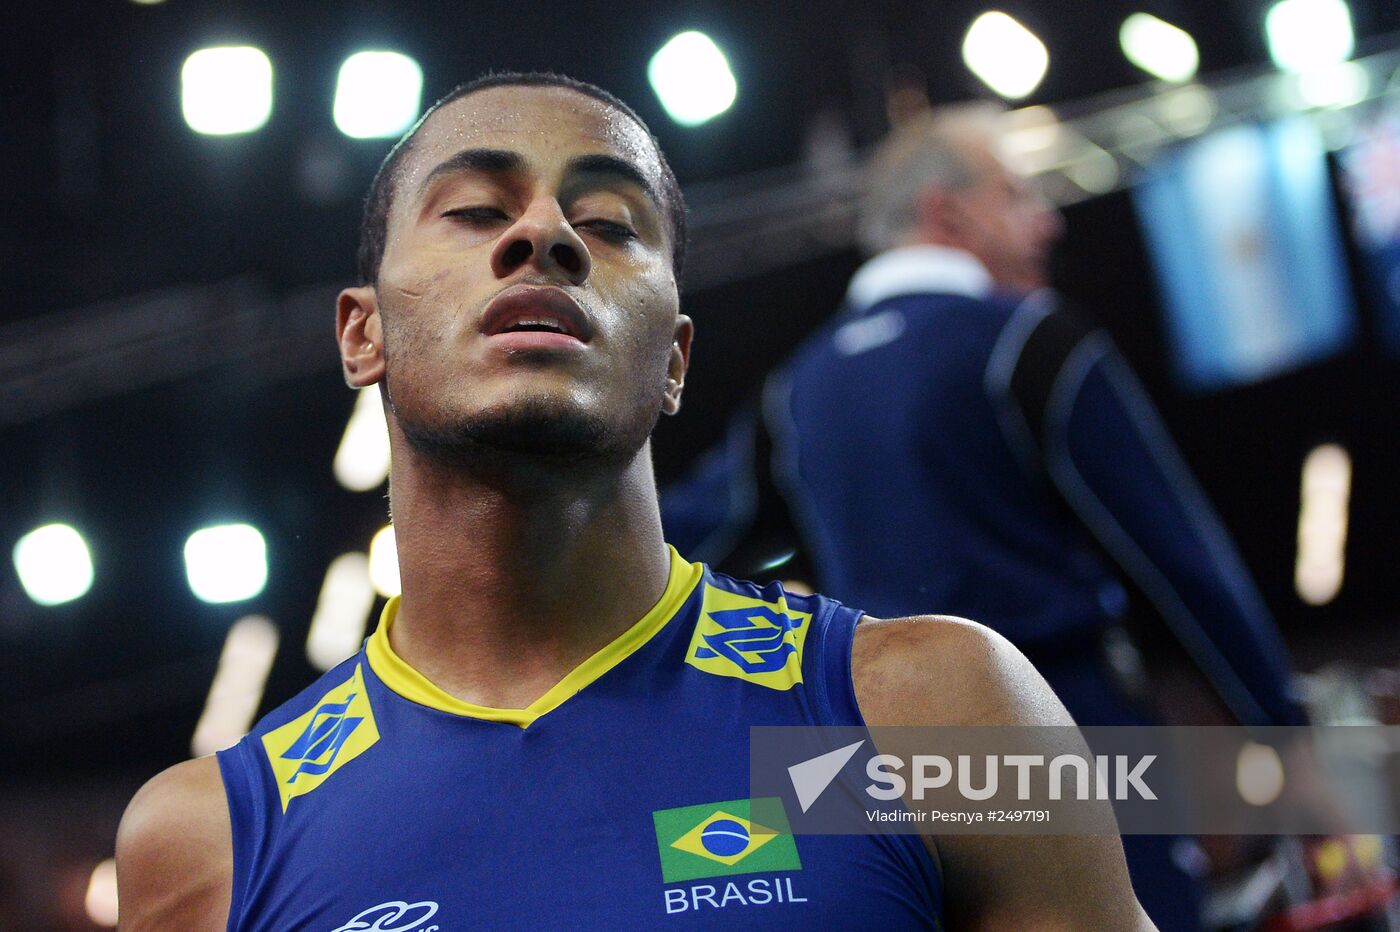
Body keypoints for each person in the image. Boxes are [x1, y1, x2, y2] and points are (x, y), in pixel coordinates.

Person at [114, 74, 1152, 930]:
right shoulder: (212, 838)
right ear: (361, 332)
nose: (544, 236)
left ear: (675, 360)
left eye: (609, 222)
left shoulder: (924, 714)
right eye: (475, 210)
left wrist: (1272, 772)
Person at [663, 103, 1311, 929]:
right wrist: (1284, 738)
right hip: (1069, 755)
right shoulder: (1032, 344)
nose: (1047, 224)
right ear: (948, 210)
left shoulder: (797, 389)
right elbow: (1177, 565)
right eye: (1019, 195)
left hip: (879, 789)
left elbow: (672, 540)